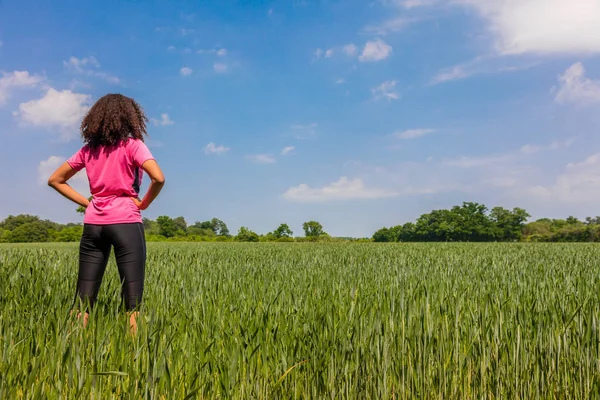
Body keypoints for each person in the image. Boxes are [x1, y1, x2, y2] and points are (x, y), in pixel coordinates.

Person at [48, 93, 165, 334]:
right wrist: (143, 204)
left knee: (83, 296)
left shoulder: (88, 151)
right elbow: (159, 178)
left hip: (93, 224)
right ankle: (135, 358)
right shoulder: (133, 146)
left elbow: (55, 180)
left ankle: (72, 350)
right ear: (130, 118)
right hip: (126, 222)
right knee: (133, 299)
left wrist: (87, 203)